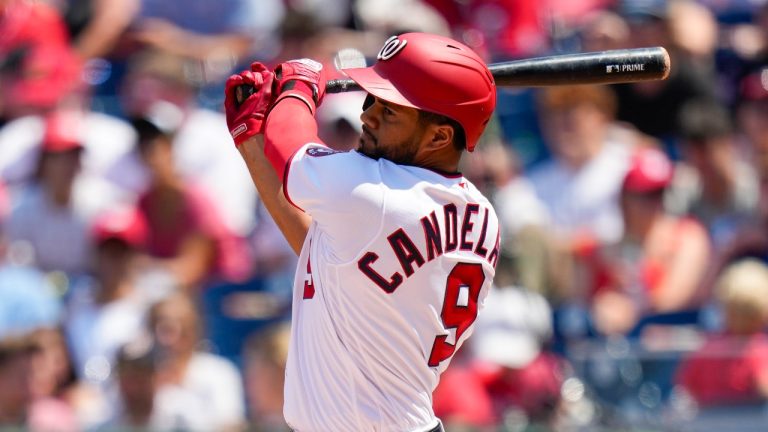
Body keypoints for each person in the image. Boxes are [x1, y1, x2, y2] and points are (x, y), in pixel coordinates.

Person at [224, 32, 500, 431]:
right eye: (371, 100)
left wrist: (299, 84)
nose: (367, 116)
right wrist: (252, 142)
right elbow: (326, 261)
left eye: (389, 112)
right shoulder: (482, 212)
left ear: (440, 136)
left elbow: (289, 142)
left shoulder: (377, 193)